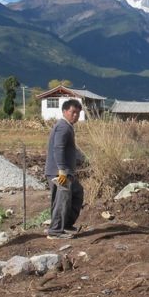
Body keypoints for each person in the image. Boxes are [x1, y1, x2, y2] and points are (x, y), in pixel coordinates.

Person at [45, 99, 85, 239]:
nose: (76, 115)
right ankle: (55, 231)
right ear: (64, 111)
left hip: (66, 172)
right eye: (73, 112)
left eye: (78, 113)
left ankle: (66, 224)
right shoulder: (63, 126)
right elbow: (58, 147)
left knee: (76, 192)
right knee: (61, 200)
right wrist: (62, 168)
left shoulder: (67, 126)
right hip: (59, 172)